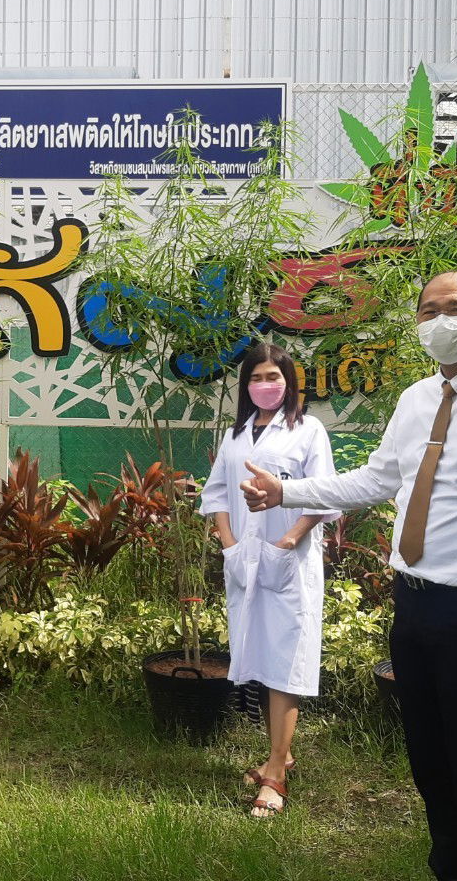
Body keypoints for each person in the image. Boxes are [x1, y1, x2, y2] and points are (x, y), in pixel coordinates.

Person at [241, 272, 457, 879]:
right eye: (428, 310)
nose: (440, 320)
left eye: (455, 308)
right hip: (413, 606)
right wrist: (286, 490)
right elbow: (378, 479)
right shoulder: (416, 400)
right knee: (431, 763)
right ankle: (450, 869)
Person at [199, 342, 340, 817]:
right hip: (246, 564)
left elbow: (322, 496)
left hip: (288, 564)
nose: (266, 385)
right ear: (246, 386)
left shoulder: (308, 430)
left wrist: (288, 542)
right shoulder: (236, 434)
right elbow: (217, 491)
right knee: (258, 654)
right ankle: (282, 752)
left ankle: (276, 773)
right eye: (257, 378)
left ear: (290, 382)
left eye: (274, 377)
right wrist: (230, 543)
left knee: (285, 663)